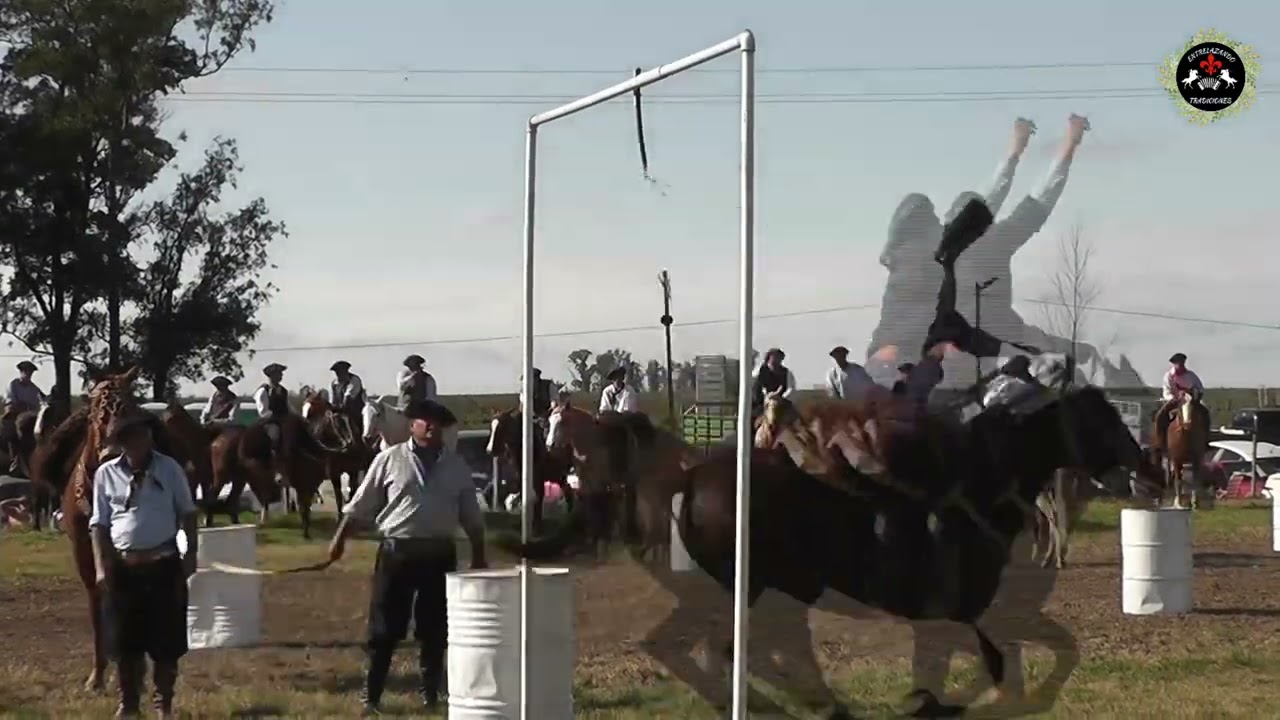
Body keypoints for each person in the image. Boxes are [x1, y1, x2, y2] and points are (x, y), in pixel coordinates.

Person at [328, 399, 487, 713]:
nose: (431, 426)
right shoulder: (389, 459)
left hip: (439, 554)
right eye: (424, 421)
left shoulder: (455, 466)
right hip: (397, 552)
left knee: (435, 627)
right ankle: (371, 697)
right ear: (411, 425)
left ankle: (430, 695)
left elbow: (471, 515)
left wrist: (479, 554)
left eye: (437, 422)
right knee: (384, 628)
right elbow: (360, 505)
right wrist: (338, 541)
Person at [866, 118, 1036, 383]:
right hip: (902, 367)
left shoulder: (937, 262)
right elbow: (916, 320)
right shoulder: (918, 261)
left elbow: (951, 324)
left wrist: (1006, 350)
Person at [88, 410, 198, 719]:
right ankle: (129, 703)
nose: (133, 442)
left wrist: (190, 554)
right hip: (123, 568)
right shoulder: (106, 474)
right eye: (125, 437)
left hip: (163, 563)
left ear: (148, 436)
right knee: (124, 640)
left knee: (167, 640)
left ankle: (164, 703)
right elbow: (99, 525)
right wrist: (101, 566)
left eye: (138, 434)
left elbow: (188, 514)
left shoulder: (170, 469)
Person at [1155, 352, 1208, 451]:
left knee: (1205, 412)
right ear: (1174, 364)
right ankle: (1160, 441)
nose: (1180, 365)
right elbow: (1166, 391)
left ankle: (1206, 440)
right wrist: (1174, 398)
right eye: (1178, 363)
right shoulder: (1169, 376)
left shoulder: (1191, 375)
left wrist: (1196, 400)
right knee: (1160, 415)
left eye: (1182, 363)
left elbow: (1200, 388)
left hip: (1190, 400)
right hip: (1174, 400)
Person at [3, 361, 45, 474]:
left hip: (29, 417)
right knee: (12, 433)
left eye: (30, 373)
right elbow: (12, 403)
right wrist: (25, 406)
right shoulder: (13, 384)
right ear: (21, 372)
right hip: (14, 415)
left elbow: (39, 404)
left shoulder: (34, 388)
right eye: (26, 372)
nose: (28, 375)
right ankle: (14, 462)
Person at [252, 363, 291, 453]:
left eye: (281, 373)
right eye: (279, 373)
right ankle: (273, 455)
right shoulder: (263, 391)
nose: (281, 375)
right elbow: (263, 412)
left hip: (283, 421)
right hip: (269, 423)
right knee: (274, 435)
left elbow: (288, 406)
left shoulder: (283, 390)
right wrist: (278, 417)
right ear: (271, 375)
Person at [750, 349, 797, 418]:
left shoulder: (787, 372)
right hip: (760, 402)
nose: (777, 359)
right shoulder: (759, 370)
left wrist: (781, 397)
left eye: (779, 357)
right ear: (769, 357)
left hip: (780, 401)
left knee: (794, 417)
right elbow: (752, 382)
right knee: (750, 417)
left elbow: (790, 388)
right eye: (775, 357)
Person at [329, 361, 367, 438]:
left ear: (346, 371)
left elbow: (348, 397)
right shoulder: (334, 384)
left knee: (349, 421)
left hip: (356, 412)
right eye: (337, 373)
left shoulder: (354, 380)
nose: (339, 375)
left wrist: (340, 408)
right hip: (341, 412)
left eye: (341, 372)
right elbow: (333, 400)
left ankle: (357, 440)